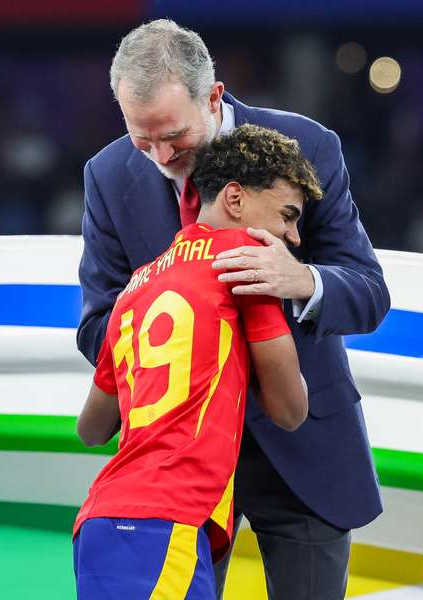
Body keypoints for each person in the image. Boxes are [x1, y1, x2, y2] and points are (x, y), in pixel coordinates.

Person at [76, 20, 390, 599]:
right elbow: (98, 326)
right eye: (142, 140)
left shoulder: (307, 146)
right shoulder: (107, 173)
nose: (161, 156)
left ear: (213, 96)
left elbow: (369, 291)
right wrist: (162, 310)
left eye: (173, 136)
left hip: (302, 458)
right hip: (174, 467)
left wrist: (302, 280)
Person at [73, 124, 317, 599]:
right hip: (169, 521)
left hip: (101, 523)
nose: (293, 236)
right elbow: (290, 411)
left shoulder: (137, 283)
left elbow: (92, 428)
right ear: (235, 199)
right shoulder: (247, 266)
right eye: (288, 215)